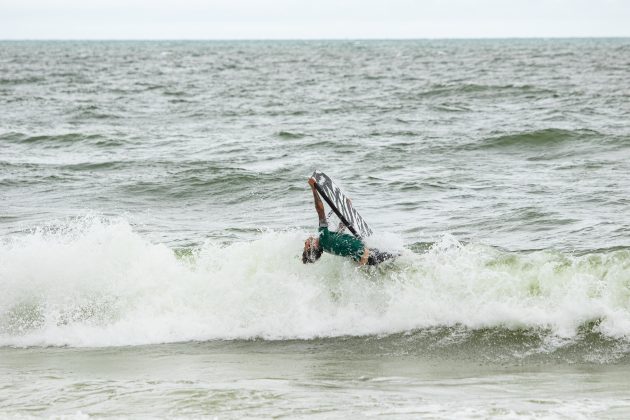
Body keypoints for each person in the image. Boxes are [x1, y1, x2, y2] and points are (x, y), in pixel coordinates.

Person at [302, 178, 396, 266]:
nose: (305, 242)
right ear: (311, 246)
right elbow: (320, 211)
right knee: (400, 256)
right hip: (370, 256)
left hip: (367, 259)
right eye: (305, 246)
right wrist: (314, 189)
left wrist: (346, 210)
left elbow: (340, 231)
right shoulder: (323, 237)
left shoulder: (326, 245)